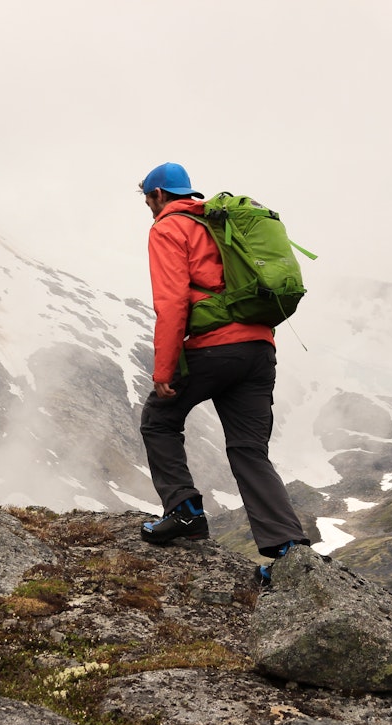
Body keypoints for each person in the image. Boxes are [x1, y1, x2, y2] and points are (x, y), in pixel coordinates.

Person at [136, 162, 309, 584]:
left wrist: (164, 370)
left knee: (159, 419)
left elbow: (173, 301)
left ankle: (184, 512)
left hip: (215, 347)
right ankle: (289, 554)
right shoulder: (218, 222)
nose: (144, 203)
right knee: (249, 449)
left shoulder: (168, 228)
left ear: (158, 194)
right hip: (259, 348)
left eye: (145, 195)